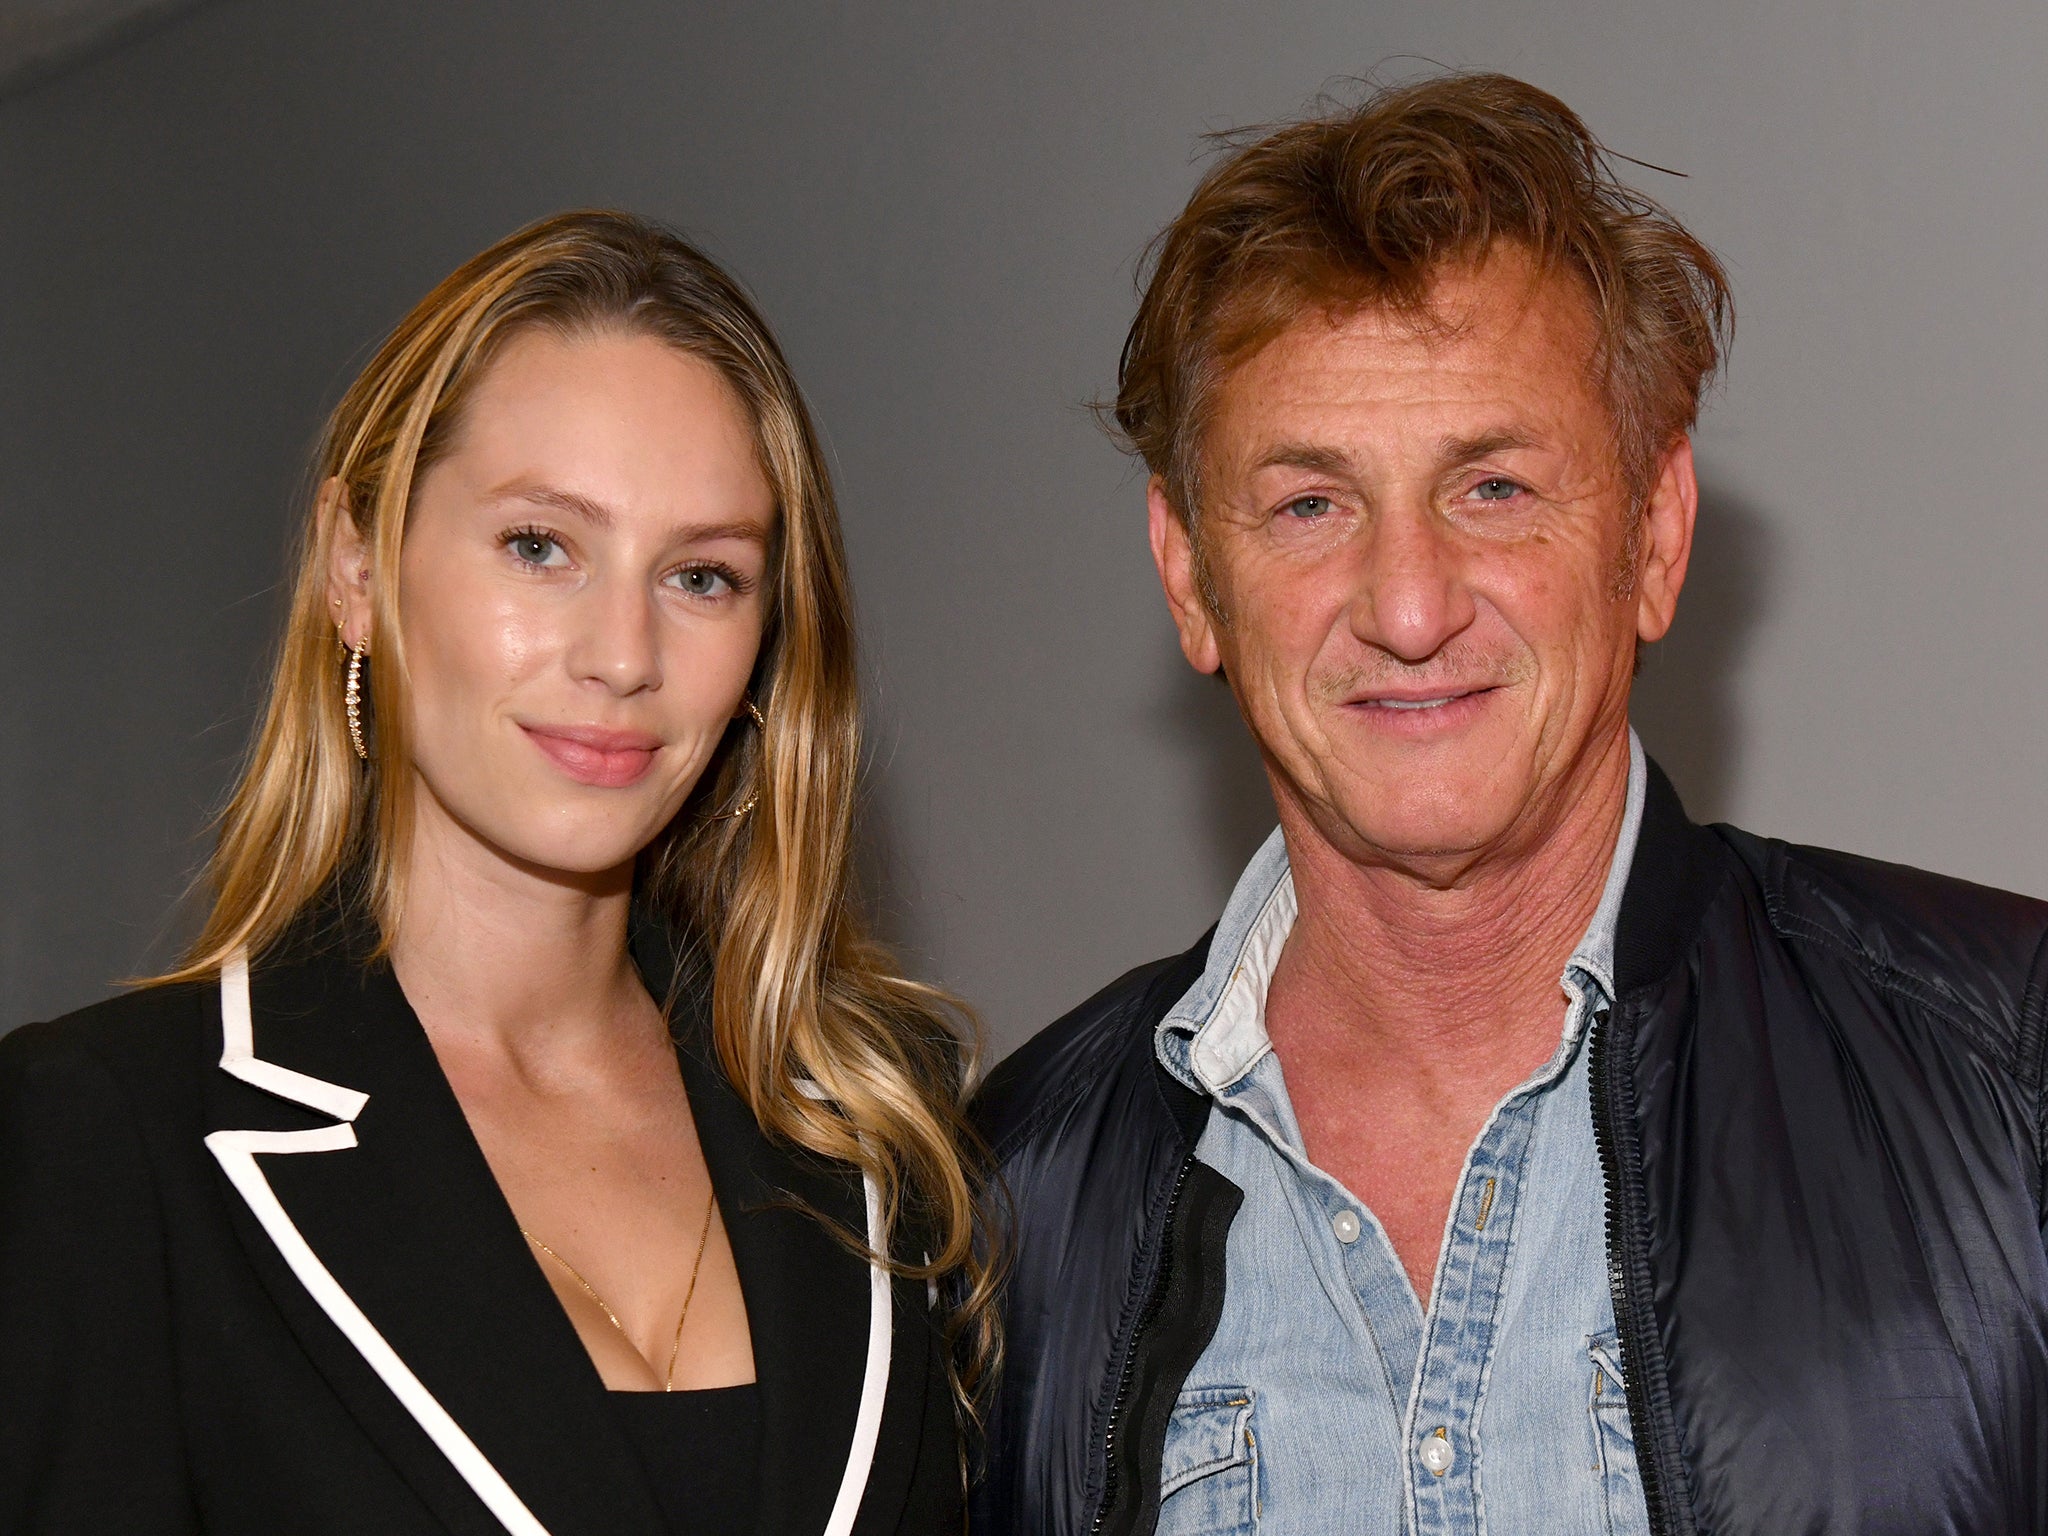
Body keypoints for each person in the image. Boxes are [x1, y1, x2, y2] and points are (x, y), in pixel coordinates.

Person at [971, 73, 2048, 1536]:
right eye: (1309, 505)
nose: (1408, 608)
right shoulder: (1001, 1198)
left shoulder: (2008, 1071)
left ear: (1654, 537)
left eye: (1491, 488)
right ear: (1188, 578)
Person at [0, 210, 989, 1535]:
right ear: (358, 569)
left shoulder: (879, 1125)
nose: (622, 652)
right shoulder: (104, 1139)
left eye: (702, 575)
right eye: (542, 546)